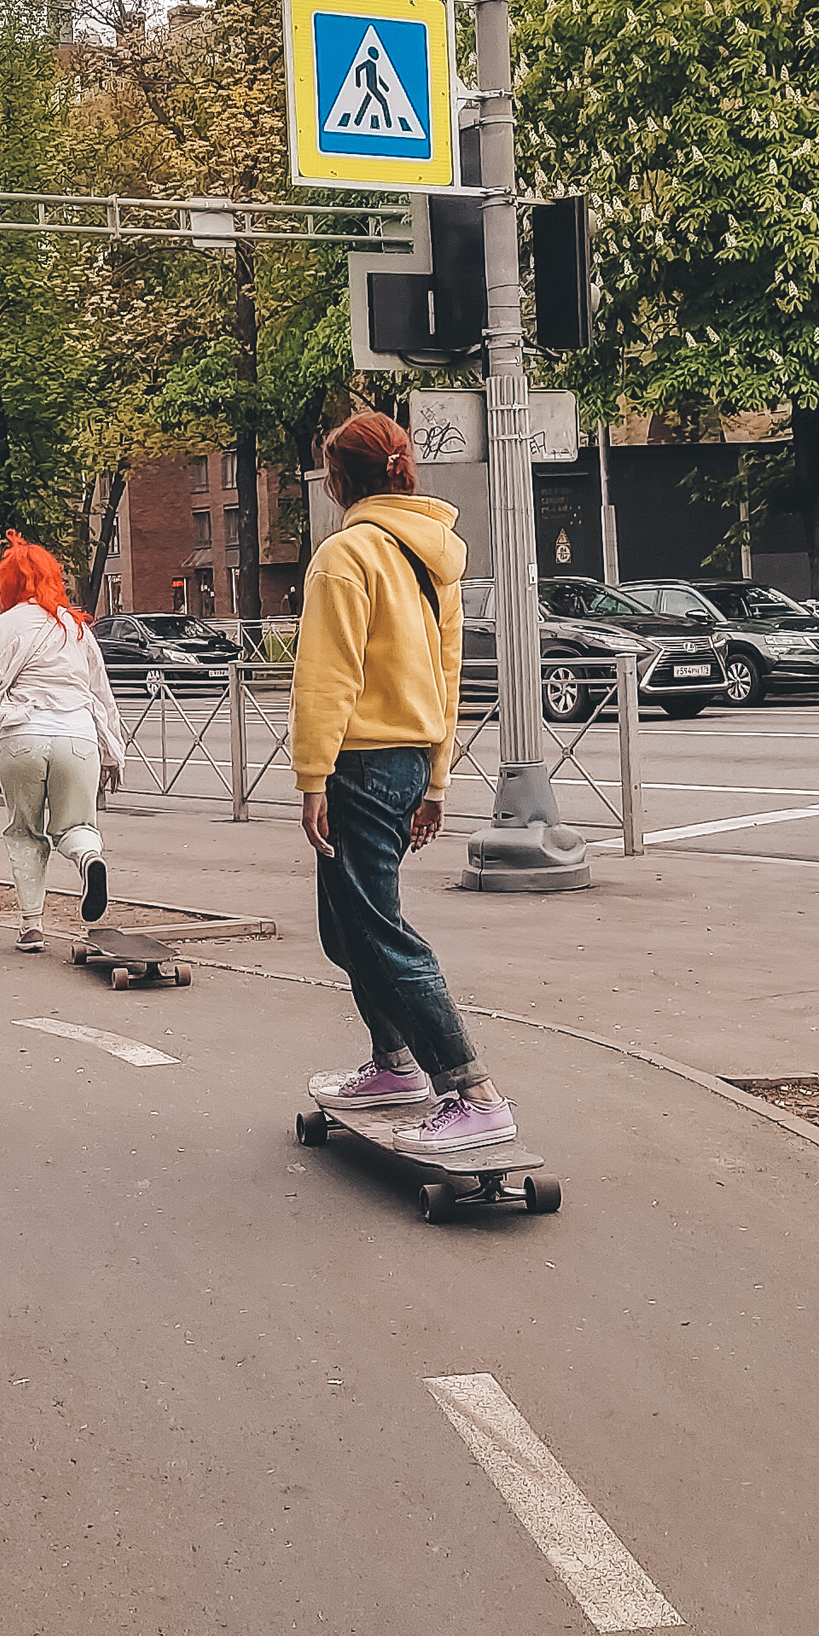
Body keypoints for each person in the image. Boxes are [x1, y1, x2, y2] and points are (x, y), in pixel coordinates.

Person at [291, 410, 514, 1148]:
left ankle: (472, 1093)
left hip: (359, 763)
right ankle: (394, 1064)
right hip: (407, 758)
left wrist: (312, 777)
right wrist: (436, 781)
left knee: (380, 932)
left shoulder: (346, 554)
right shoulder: (431, 559)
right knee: (347, 927)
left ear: (338, 479)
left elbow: (325, 675)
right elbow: (447, 677)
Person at [0, 532, 126, 953]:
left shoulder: (5, 626)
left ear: (7, 584)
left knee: (25, 831)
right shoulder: (75, 628)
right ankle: (89, 861)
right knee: (77, 825)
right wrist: (113, 754)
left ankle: (31, 927)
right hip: (78, 738)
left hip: (22, 737)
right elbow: (101, 697)